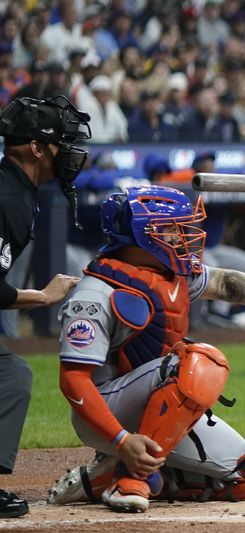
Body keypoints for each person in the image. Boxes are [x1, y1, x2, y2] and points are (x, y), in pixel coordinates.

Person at [47, 184, 245, 513]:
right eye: (171, 229)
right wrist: (121, 441)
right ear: (142, 235)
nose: (182, 236)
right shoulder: (95, 294)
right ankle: (131, 476)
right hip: (106, 411)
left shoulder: (171, 271)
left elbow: (224, 282)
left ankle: (98, 478)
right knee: (197, 360)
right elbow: (73, 379)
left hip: (158, 406)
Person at [0, 95, 90, 517]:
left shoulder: (14, 189)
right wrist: (43, 296)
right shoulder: (10, 199)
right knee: (11, 375)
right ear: (36, 148)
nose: (69, 152)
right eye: (61, 142)